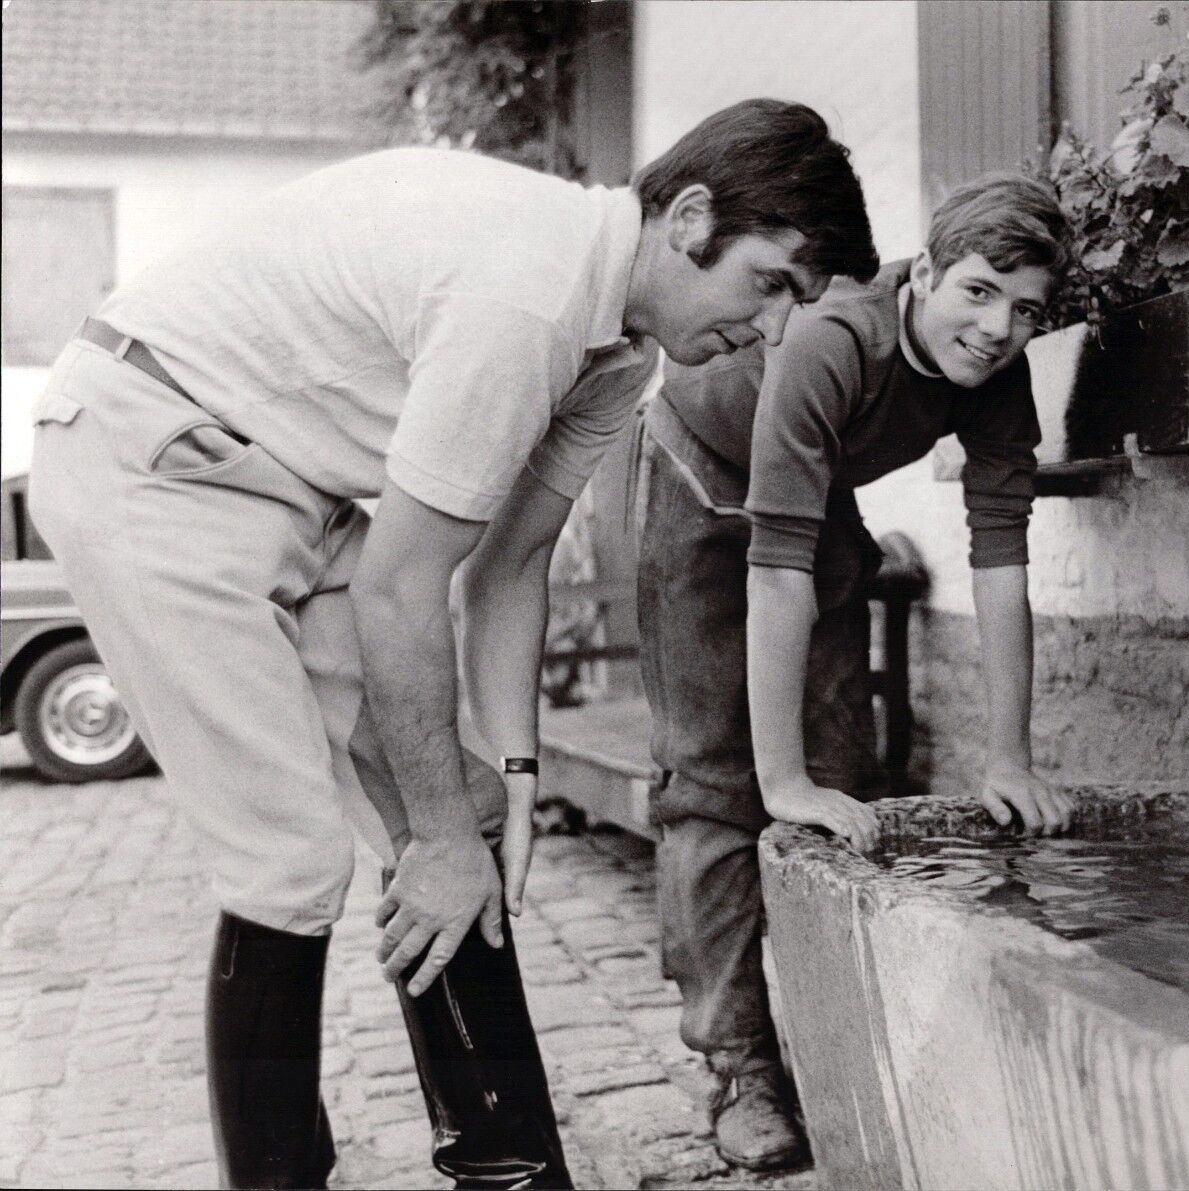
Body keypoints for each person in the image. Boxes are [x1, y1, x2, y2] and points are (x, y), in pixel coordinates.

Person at [27, 98, 877, 1190]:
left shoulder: (617, 354)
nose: (769, 331)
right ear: (691, 219)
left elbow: (509, 562)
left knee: (461, 811)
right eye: (769, 284)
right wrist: (433, 836)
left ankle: (507, 1167)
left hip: (292, 483)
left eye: (795, 307)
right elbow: (401, 587)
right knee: (289, 859)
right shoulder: (528, 295)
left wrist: (509, 785)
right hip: (157, 455)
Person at [634, 172, 1079, 1171]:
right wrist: (778, 780)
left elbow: (1003, 562)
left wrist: (1009, 758)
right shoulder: (835, 339)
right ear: (923, 273)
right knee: (714, 780)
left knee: (849, 768)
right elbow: (778, 578)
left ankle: (842, 1031)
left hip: (807, 483)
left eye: (1024, 310)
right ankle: (739, 1062)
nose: (996, 328)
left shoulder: (1000, 374)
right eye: (977, 291)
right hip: (697, 470)